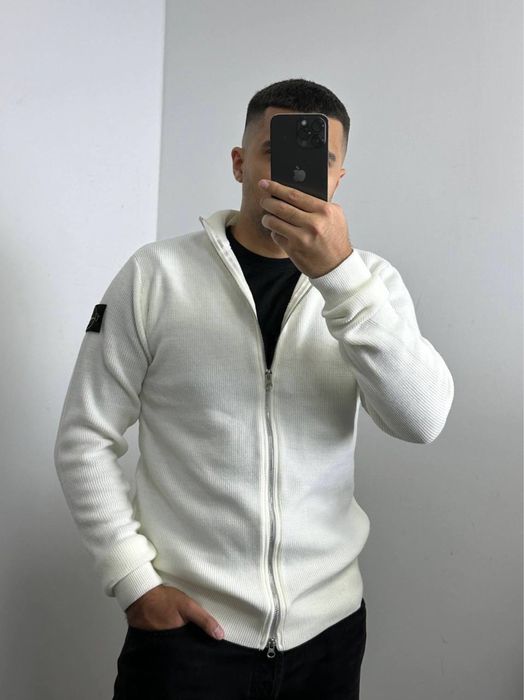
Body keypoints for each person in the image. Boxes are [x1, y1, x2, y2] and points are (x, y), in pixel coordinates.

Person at [54, 78, 454, 699]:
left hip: (328, 636)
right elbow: (85, 436)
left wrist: (340, 279)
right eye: (276, 152)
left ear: (338, 177)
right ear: (240, 163)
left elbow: (421, 420)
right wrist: (133, 582)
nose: (294, 172)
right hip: (186, 640)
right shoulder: (155, 276)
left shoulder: (371, 284)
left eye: (318, 158)